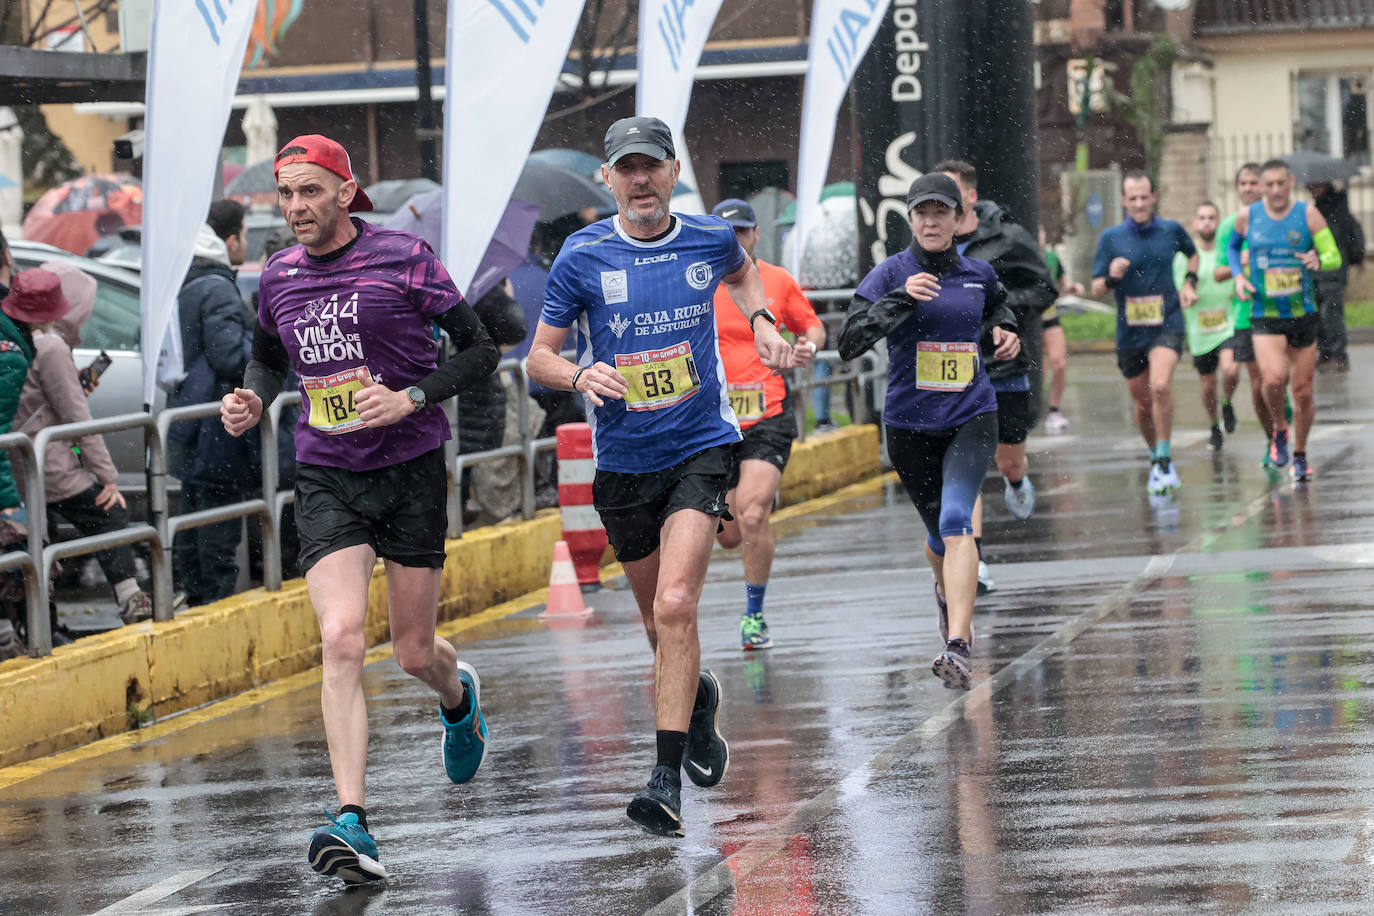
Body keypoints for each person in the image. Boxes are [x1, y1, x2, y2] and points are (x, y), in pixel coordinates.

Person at [221, 134, 500, 883]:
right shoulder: (277, 274)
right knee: (341, 639)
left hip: (409, 472)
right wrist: (254, 397)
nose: (295, 207)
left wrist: (410, 396)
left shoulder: (404, 258)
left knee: (412, 651)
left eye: (309, 191)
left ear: (346, 193)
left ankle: (456, 692)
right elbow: (270, 356)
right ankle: (353, 820)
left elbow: (479, 351)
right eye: (285, 194)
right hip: (327, 474)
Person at [526, 116, 794, 838]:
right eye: (626, 169)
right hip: (622, 465)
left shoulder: (709, 238)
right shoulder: (583, 256)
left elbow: (741, 275)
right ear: (607, 180)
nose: (640, 180)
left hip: (701, 447)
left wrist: (764, 320)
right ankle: (697, 700)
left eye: (652, 166)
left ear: (674, 171)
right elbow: (537, 358)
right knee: (657, 624)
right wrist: (580, 371)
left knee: (677, 605)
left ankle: (664, 781)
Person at [838, 173, 1020, 691]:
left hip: (972, 414)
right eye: (922, 213)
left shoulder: (979, 273)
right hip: (910, 425)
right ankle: (945, 593)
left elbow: (999, 308)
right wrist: (900, 300)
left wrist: (1006, 335)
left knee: (959, 519)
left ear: (961, 218)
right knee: (938, 536)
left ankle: (958, 643)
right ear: (911, 219)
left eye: (942, 212)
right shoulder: (889, 274)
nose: (932, 221)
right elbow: (849, 342)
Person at [935, 161, 1054, 600]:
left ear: (969, 196)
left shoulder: (1006, 235)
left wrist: (999, 303)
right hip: (953, 371)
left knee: (1007, 462)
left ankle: (1018, 480)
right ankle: (976, 560)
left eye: (946, 194)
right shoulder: (927, 245)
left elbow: (1045, 289)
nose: (936, 206)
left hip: (1002, 366)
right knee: (964, 469)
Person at [709, 198, 824, 650]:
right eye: (726, 233)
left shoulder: (776, 280)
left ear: (756, 235)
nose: (735, 240)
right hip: (714, 421)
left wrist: (807, 347)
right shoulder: (696, 284)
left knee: (754, 511)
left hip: (768, 413)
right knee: (729, 534)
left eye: (742, 232)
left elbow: (811, 327)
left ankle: (754, 616)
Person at [13, 261, 153, 625]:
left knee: (39, 540)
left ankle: (38, 625)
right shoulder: (53, 347)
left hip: (26, 462)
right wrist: (108, 476)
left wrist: (74, 382)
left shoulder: (24, 341)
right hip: (47, 464)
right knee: (108, 513)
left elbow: (36, 400)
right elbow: (78, 419)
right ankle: (131, 599)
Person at [1226, 158, 1343, 482]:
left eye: (1281, 183)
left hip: (1302, 313)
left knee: (1303, 392)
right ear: (1262, 186)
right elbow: (1232, 249)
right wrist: (1238, 277)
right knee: (1273, 380)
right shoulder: (1249, 216)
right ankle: (1279, 428)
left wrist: (1319, 258)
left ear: (1291, 182)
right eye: (1270, 184)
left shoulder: (1307, 214)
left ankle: (1300, 454)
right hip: (1265, 314)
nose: (1276, 190)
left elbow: (1333, 254)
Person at [1091, 171, 1199, 495]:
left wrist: (1189, 283)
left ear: (1154, 197)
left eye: (1144, 197)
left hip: (1167, 322)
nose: (1139, 204)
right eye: (1132, 198)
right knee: (1142, 404)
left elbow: (1192, 254)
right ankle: (1155, 455)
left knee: (1161, 385)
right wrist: (1111, 277)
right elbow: (1096, 288)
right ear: (1124, 201)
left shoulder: (1171, 230)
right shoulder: (1111, 238)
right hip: (1130, 333)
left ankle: (1165, 458)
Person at [170, 201, 256, 608]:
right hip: (215, 422)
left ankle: (194, 594)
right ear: (231, 238)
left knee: (193, 512)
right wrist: (260, 347)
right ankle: (216, 600)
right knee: (217, 515)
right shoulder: (219, 286)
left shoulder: (186, 280)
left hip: (190, 416)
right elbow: (228, 356)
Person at [1213, 163, 1274, 454]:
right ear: (1237, 189)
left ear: (1263, 186)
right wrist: (1243, 261)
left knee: (1279, 379)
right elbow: (1218, 273)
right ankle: (1272, 440)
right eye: (1243, 184)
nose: (1248, 188)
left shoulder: (1276, 218)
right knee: (1260, 382)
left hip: (1282, 309)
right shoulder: (1229, 226)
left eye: (1253, 183)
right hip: (1246, 314)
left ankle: (1283, 431)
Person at [1174, 201, 1239, 451]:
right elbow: (1179, 290)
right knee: (1207, 385)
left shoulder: (1224, 254)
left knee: (1231, 370)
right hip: (1200, 331)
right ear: (1195, 223)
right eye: (1202, 217)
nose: (1207, 222)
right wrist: (1186, 293)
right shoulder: (1184, 259)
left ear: (1218, 223)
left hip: (1227, 325)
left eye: (1212, 217)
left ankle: (1227, 402)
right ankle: (1214, 423)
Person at [1308, 179, 1365, 372]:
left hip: (1333, 270)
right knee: (1320, 316)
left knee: (1332, 315)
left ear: (1325, 185)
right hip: (1318, 270)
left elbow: (1337, 237)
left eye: (1316, 184)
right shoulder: (1319, 207)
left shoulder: (1336, 208)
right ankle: (1325, 354)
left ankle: (1338, 355)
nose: (1312, 188)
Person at [1040, 226, 1079, 432]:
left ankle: (1054, 409)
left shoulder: (1052, 258)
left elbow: (1062, 283)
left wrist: (1072, 288)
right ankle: (1034, 407)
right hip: (1027, 321)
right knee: (1038, 369)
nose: (1039, 235)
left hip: (1050, 317)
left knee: (1059, 363)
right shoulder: (1020, 254)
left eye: (1041, 231)